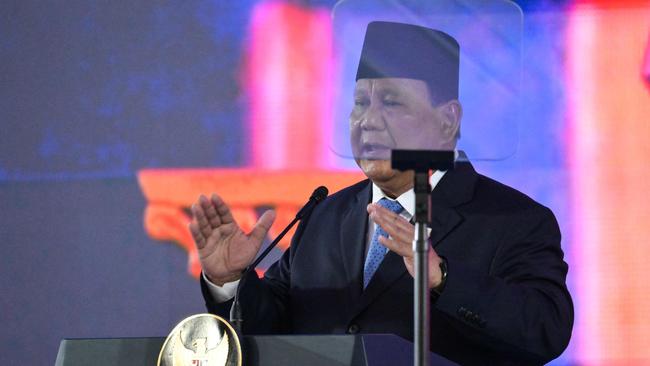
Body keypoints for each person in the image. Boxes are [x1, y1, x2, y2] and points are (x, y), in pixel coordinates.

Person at [189, 21, 573, 365]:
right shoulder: (324, 216)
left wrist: (443, 278)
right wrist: (230, 281)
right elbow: (273, 330)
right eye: (360, 104)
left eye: (391, 103)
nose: (368, 121)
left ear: (447, 119)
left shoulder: (512, 220)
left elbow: (545, 331)